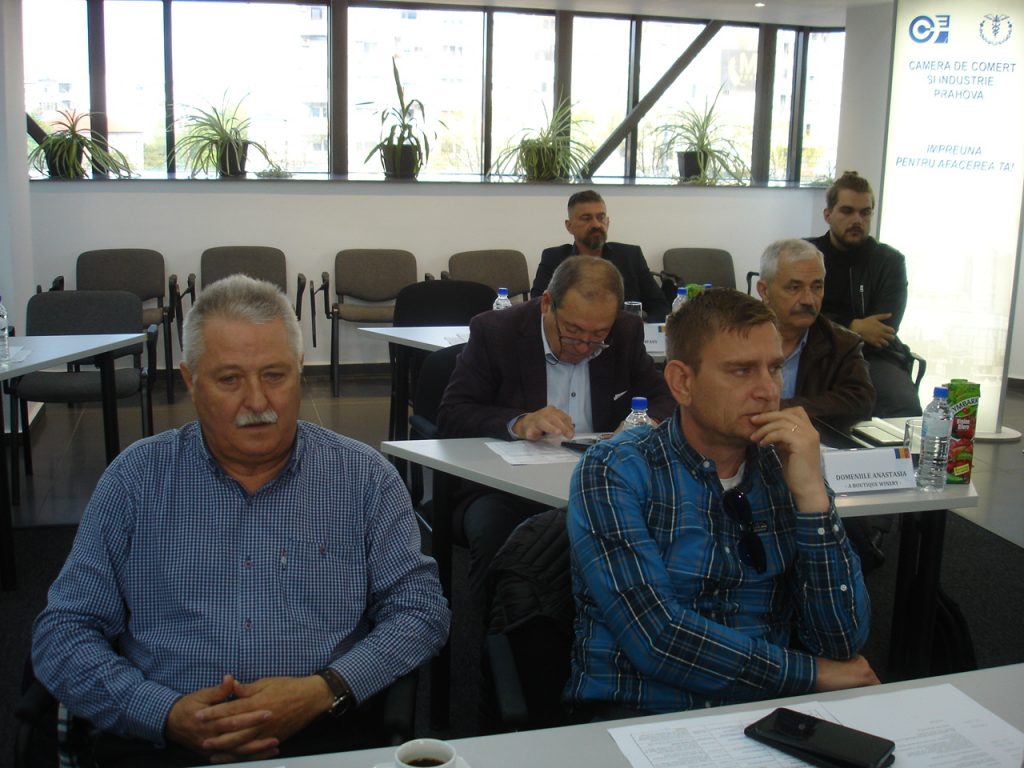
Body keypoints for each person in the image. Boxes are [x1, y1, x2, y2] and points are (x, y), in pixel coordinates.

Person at [32, 275, 449, 766]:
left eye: (274, 375)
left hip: (324, 736)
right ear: (190, 381)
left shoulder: (363, 479)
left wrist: (326, 689)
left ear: (299, 369)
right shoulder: (136, 480)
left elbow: (420, 610)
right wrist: (163, 712)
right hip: (162, 744)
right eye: (229, 379)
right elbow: (64, 629)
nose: (257, 402)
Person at [567, 288, 878, 717]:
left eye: (775, 369)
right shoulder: (616, 469)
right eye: (741, 371)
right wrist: (810, 674)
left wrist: (812, 498)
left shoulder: (787, 466)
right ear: (682, 382)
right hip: (643, 711)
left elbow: (841, 641)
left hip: (765, 711)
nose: (767, 390)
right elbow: (658, 639)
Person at [438, 255, 674, 598]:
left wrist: (643, 422)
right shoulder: (496, 331)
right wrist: (519, 422)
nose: (584, 347)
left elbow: (665, 397)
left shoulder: (625, 331)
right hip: (509, 487)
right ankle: (496, 628)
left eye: (598, 337)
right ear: (547, 303)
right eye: (573, 332)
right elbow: (453, 413)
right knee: (498, 534)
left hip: (603, 483)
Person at [807, 171, 922, 417]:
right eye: (847, 211)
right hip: (811, 352)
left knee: (905, 407)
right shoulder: (804, 253)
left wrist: (827, 322)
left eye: (865, 212)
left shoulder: (889, 261)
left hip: (872, 355)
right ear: (828, 215)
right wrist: (853, 325)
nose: (857, 220)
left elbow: (883, 330)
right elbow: (793, 314)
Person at [756, 238, 875, 430]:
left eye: (817, 287)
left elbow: (860, 401)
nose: (808, 300)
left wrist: (779, 411)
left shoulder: (842, 343)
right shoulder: (735, 337)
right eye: (794, 287)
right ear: (764, 291)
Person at [529, 190, 671, 322]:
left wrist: (641, 330)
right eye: (586, 218)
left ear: (607, 222)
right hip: (572, 336)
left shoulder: (631, 256)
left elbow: (659, 306)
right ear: (569, 226)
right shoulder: (553, 258)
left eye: (600, 217)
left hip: (622, 335)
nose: (596, 224)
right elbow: (538, 306)